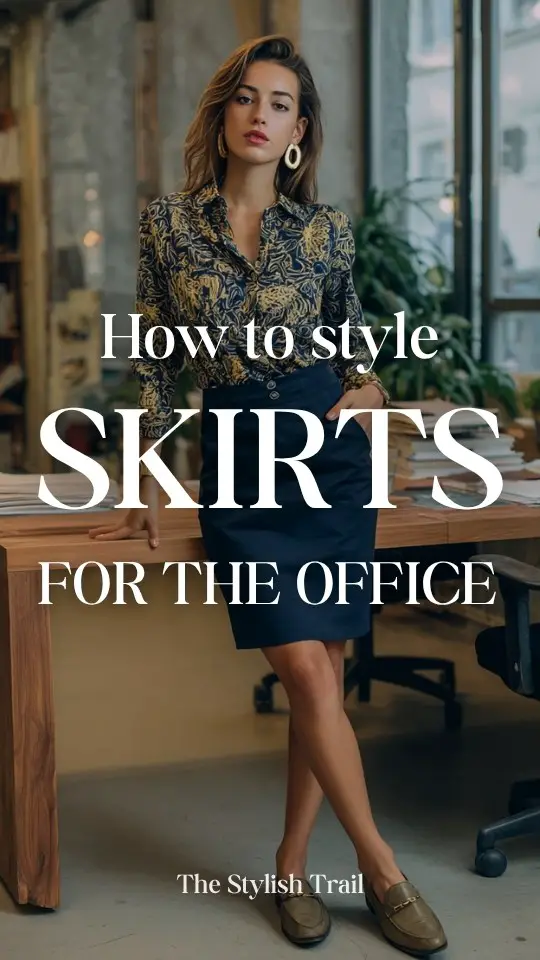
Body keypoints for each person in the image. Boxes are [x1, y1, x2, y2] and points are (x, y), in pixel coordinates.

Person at [89, 35, 447, 957]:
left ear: (297, 129)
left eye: (280, 102)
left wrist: (364, 392)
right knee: (302, 670)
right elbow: (158, 366)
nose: (261, 113)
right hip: (243, 466)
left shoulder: (323, 231)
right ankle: (382, 869)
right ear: (224, 115)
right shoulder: (169, 224)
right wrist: (148, 472)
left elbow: (356, 344)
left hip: (330, 461)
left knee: (320, 675)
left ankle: (290, 870)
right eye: (247, 97)